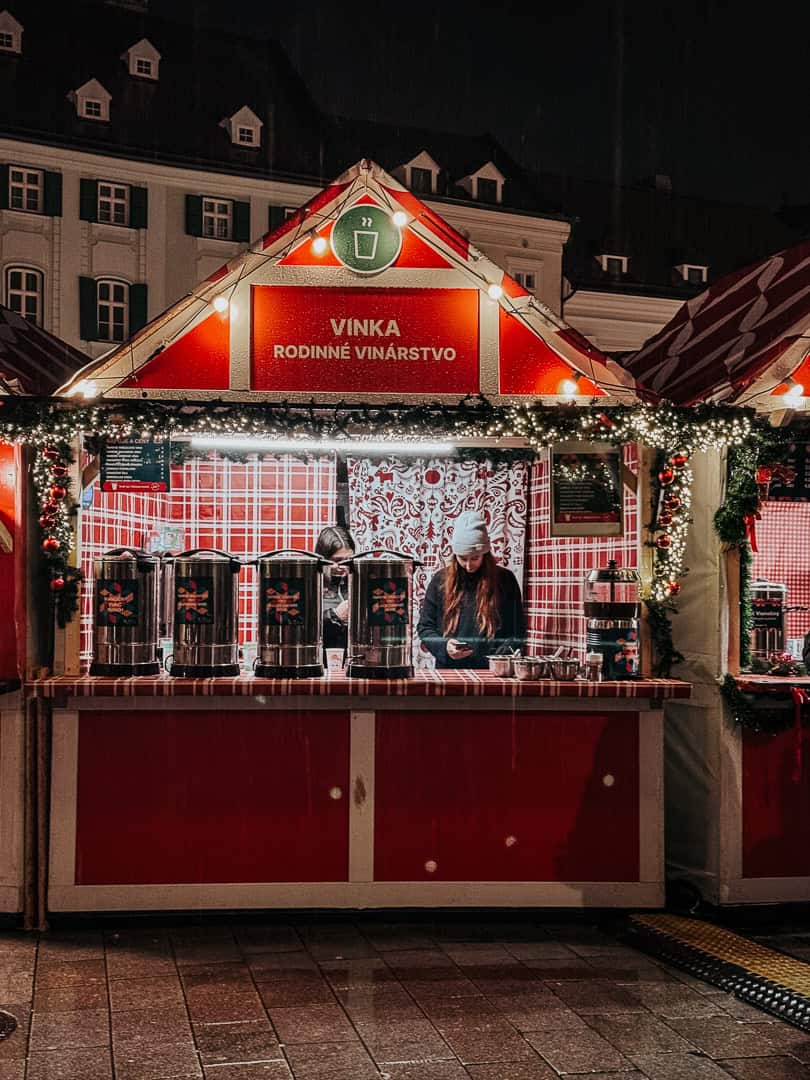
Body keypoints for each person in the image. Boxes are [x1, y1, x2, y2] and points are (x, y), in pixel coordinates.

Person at [417, 510, 526, 669]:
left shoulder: (506, 580)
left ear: (485, 554)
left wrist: (500, 657)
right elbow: (425, 627)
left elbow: (517, 631)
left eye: (475, 558)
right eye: (463, 558)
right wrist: (445, 646)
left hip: (493, 672)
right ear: (455, 555)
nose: (468, 566)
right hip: (450, 671)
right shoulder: (440, 580)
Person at [315, 524, 355, 653]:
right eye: (337, 560)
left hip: (354, 658)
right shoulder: (312, 586)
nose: (343, 566)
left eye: (348, 560)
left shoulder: (357, 583)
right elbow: (302, 629)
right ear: (323, 558)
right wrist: (335, 616)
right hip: (320, 659)